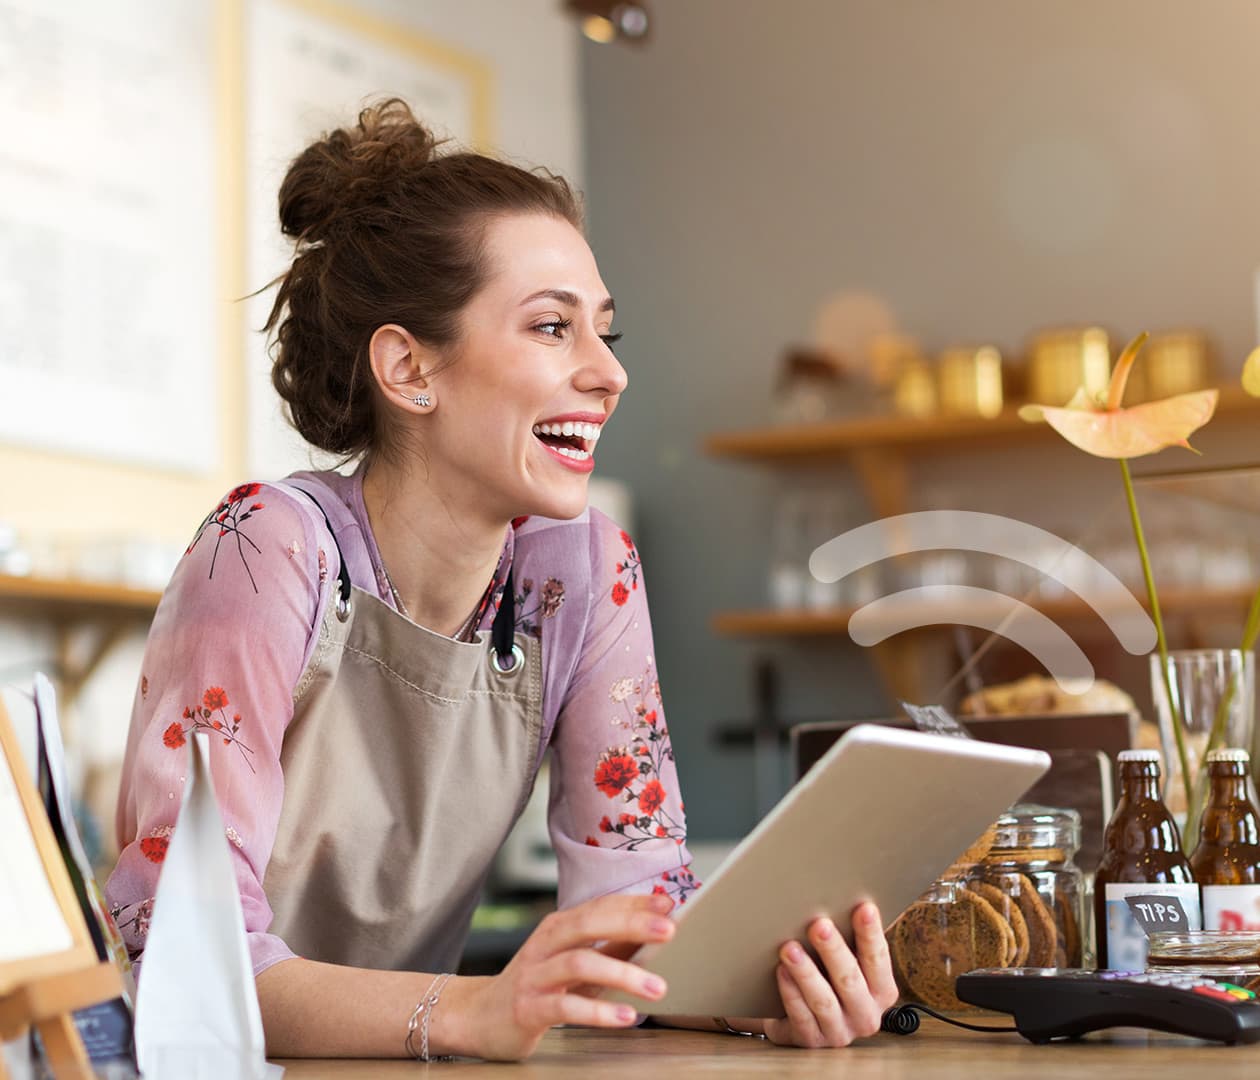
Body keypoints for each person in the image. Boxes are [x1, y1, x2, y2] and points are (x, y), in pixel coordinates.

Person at [105, 99, 897, 1061]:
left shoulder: (584, 569)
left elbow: (632, 913)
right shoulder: (266, 548)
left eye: (605, 331)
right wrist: (470, 1011)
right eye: (552, 328)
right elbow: (187, 953)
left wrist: (748, 996)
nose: (610, 374)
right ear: (408, 367)